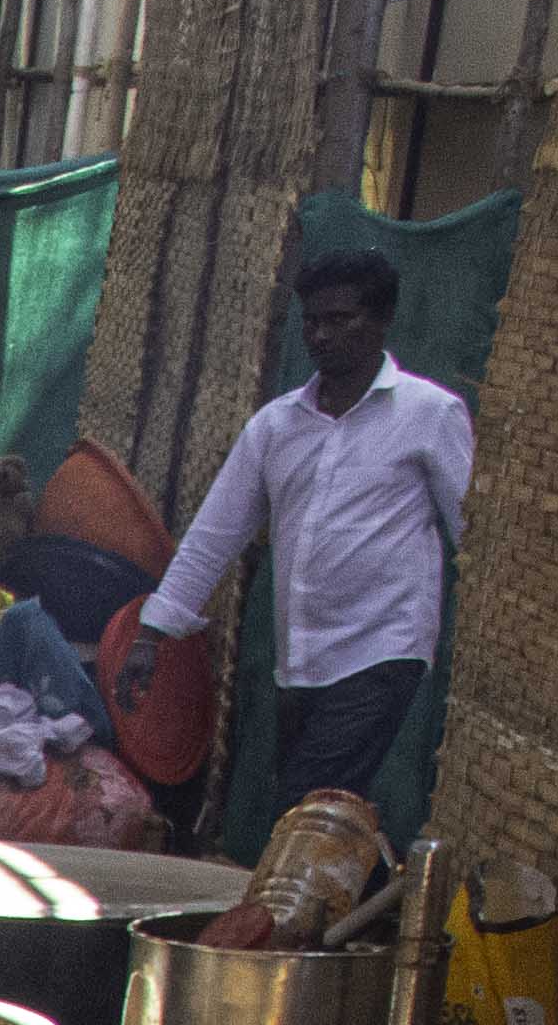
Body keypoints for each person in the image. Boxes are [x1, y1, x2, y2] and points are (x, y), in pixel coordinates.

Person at [113, 246, 480, 826]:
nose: (322, 335)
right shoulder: (275, 425)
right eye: (313, 320)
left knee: (305, 809)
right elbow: (215, 533)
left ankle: (290, 917)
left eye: (341, 319)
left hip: (384, 647)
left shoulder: (430, 414)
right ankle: (369, 904)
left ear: (381, 321)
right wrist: (152, 633)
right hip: (301, 658)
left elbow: (473, 536)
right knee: (323, 816)